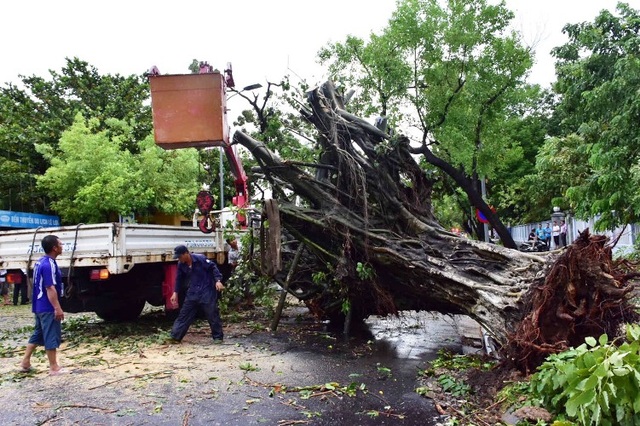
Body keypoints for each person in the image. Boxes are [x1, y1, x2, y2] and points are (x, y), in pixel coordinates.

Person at [20, 235, 68, 375]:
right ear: (54, 248)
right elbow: (50, 288)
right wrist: (57, 308)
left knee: (39, 333)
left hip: (38, 305)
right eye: (60, 244)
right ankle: (54, 367)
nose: (62, 246)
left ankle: (25, 361)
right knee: (51, 334)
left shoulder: (40, 262)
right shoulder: (49, 264)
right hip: (47, 306)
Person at [169, 245, 225, 344]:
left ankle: (218, 337)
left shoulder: (200, 259)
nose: (179, 259)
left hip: (206, 289)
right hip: (193, 291)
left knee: (211, 313)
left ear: (186, 253)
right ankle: (175, 336)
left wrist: (218, 280)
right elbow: (179, 279)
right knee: (184, 314)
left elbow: (213, 267)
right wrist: (175, 293)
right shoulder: (181, 264)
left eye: (180, 256)